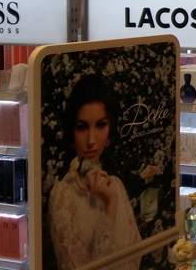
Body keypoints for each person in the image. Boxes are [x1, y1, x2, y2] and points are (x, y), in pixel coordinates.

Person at [49, 75, 141, 270]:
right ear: (72, 132)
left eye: (101, 125)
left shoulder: (115, 184)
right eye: (82, 127)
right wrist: (110, 204)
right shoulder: (63, 194)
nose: (91, 140)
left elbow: (135, 257)